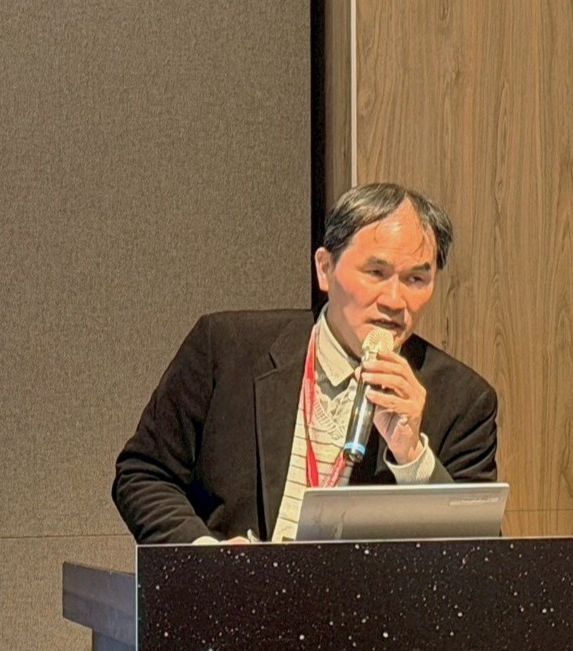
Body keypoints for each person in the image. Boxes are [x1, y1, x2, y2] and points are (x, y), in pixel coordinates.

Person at [112, 183, 498, 543]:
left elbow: (480, 559)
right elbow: (144, 474)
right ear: (325, 269)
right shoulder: (227, 348)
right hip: (232, 590)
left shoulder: (463, 400)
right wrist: (207, 559)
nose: (395, 301)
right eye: (376, 273)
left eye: (416, 280)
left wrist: (413, 457)